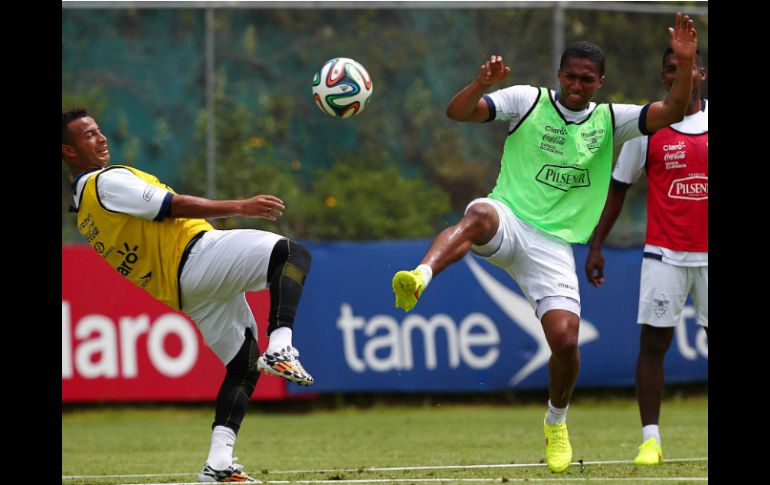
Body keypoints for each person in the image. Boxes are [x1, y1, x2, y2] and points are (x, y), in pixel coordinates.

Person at [391, 12, 698, 473]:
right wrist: (480, 84)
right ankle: (419, 277)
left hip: (553, 246)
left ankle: (556, 421)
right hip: (510, 218)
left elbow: (672, 112)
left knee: (565, 341)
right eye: (570, 76)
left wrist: (687, 60)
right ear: (558, 75)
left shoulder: (612, 120)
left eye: (586, 79)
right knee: (477, 214)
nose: (576, 85)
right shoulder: (526, 100)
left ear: (600, 82)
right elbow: (458, 113)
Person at [62, 108, 315, 483]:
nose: (101, 139)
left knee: (244, 365)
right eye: (88, 135)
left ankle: (219, 463)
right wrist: (240, 207)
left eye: (99, 131)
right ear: (68, 151)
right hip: (196, 254)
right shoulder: (105, 182)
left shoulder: (84, 213)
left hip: (186, 293)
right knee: (291, 254)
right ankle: (280, 345)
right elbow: (169, 206)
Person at [584, 47, 707, 466]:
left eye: (686, 68)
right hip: (664, 255)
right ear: (662, 78)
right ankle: (650, 440)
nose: (679, 75)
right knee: (653, 344)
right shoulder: (649, 127)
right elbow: (618, 189)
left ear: (701, 74)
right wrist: (597, 244)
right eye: (671, 69)